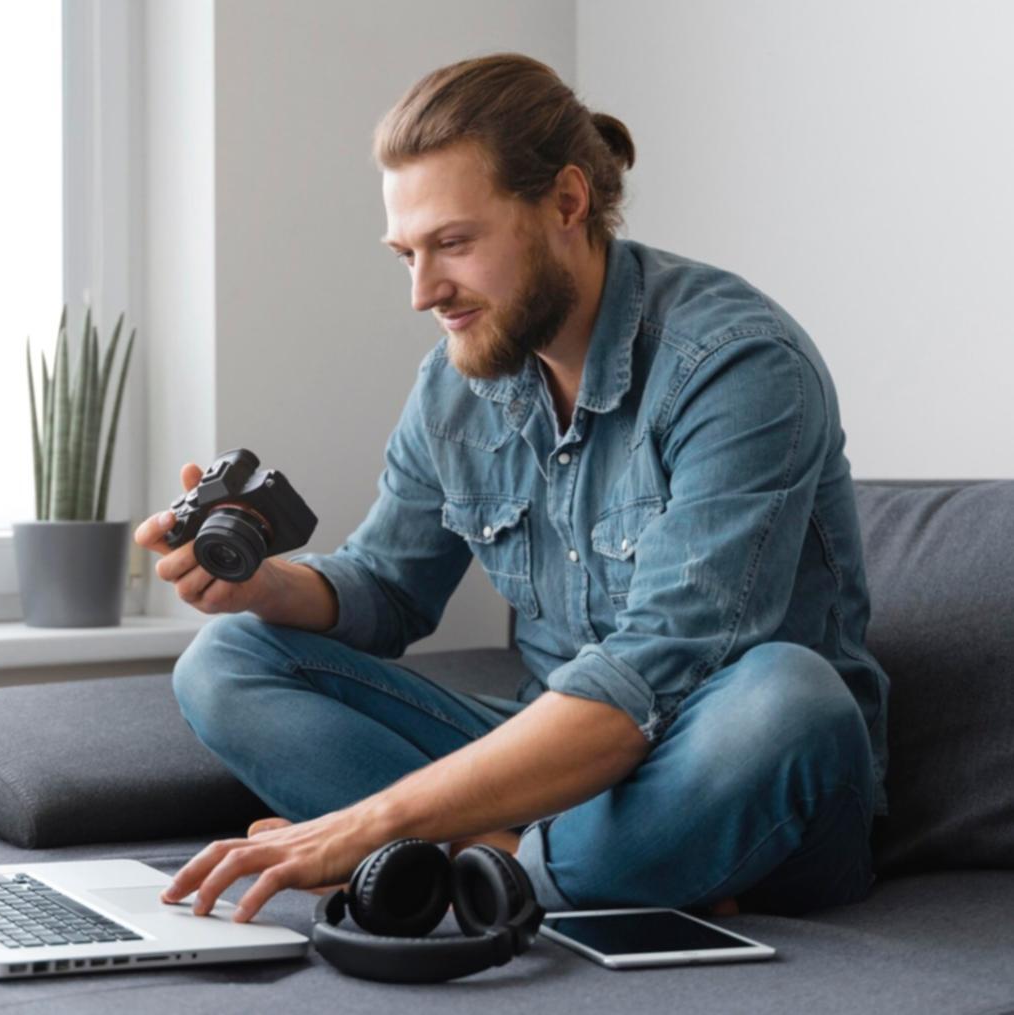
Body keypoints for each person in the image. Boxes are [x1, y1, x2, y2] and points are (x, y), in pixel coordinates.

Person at [133, 53, 888, 926]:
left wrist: (356, 827)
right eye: (406, 254)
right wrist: (261, 585)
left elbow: (657, 674)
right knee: (229, 657)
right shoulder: (460, 381)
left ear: (565, 203)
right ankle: (504, 865)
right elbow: (386, 589)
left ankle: (483, 863)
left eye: (453, 243)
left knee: (790, 697)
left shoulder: (736, 365)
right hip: (552, 771)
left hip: (720, 765)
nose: (423, 292)